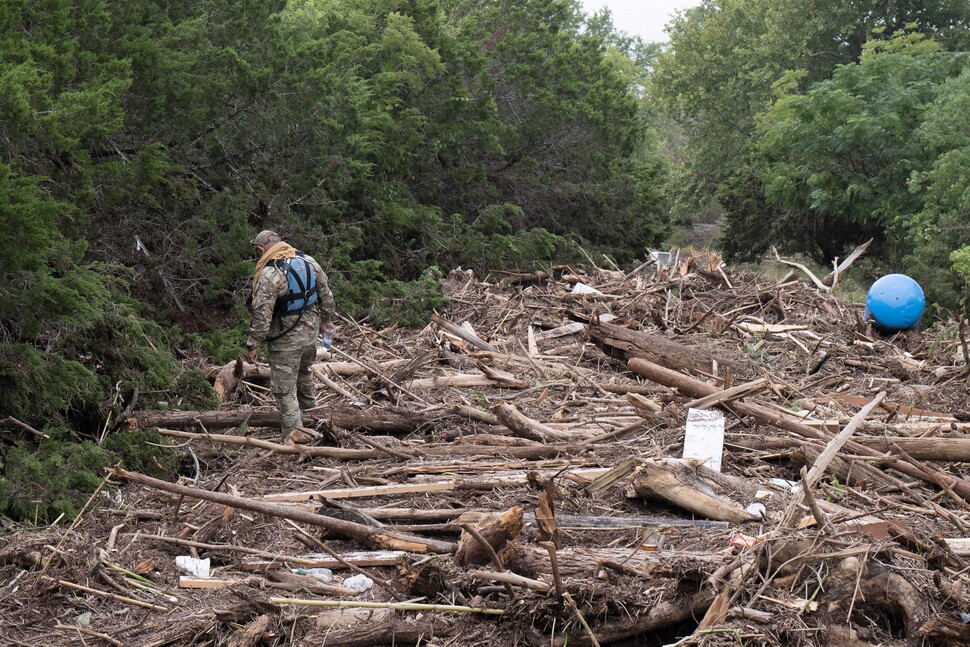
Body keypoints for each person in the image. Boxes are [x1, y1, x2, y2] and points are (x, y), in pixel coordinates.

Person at [244, 230, 335, 442]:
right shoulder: (308, 261)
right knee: (304, 377)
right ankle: (316, 421)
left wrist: (253, 344)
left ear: (260, 250)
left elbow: (262, 314)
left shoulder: (270, 274)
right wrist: (327, 321)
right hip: (310, 335)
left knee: (284, 391)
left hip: (285, 341)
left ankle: (295, 438)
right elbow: (326, 295)